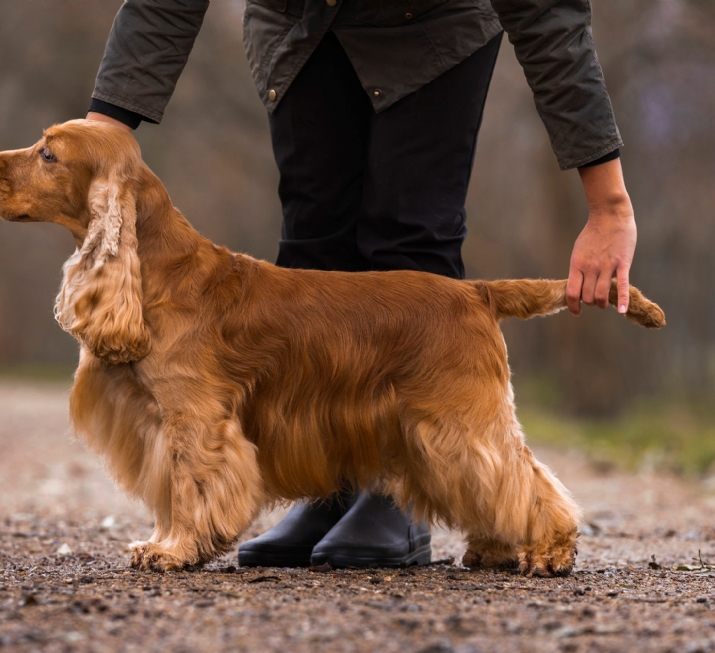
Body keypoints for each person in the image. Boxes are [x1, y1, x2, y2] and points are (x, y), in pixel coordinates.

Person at [83, 0, 637, 569]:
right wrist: (97, 138)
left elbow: (548, 15)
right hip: (299, 26)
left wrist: (608, 203)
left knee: (409, 244)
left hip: (433, 27)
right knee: (311, 249)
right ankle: (334, 487)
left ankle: (400, 498)